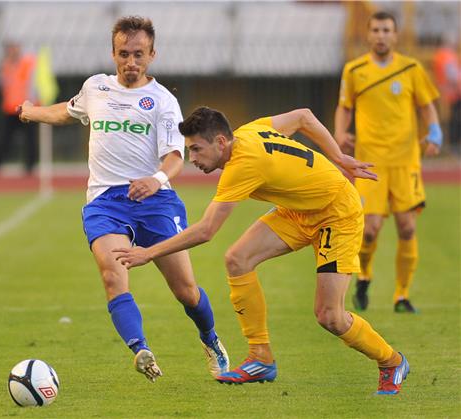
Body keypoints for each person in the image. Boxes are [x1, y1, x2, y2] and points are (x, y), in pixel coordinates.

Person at [114, 106, 410, 395]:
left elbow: (206, 231)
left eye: (196, 149)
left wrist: (148, 253)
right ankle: (260, 356)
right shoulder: (249, 131)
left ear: (220, 142)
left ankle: (392, 362)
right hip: (298, 211)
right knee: (237, 260)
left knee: (330, 316)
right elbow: (303, 116)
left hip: (337, 212)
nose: (192, 158)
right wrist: (338, 157)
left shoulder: (242, 164)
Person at [17, 16, 229, 382]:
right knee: (112, 274)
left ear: (152, 54)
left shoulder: (162, 101)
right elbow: (67, 112)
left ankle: (210, 338)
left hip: (156, 200)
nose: (131, 62)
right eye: (124, 54)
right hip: (105, 202)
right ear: (113, 53)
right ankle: (140, 349)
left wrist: (156, 179)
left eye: (139, 55)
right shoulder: (96, 88)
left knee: (186, 290)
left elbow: (175, 157)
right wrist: (30, 111)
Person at [334, 11, 442, 314]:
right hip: (371, 163)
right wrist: (341, 132)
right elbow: (344, 107)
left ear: (395, 35)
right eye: (376, 30)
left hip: (406, 162)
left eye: (386, 30)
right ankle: (365, 276)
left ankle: (402, 296)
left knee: (407, 228)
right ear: (368, 35)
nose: (381, 35)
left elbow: (427, 106)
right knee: (370, 230)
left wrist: (434, 133)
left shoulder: (411, 69)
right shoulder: (355, 71)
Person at [0, 42, 38, 175]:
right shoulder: (5, 65)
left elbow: (33, 82)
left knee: (30, 138)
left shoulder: (28, 63)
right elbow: (1, 83)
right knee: (5, 138)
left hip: (26, 107)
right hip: (11, 108)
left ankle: (30, 165)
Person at [433, 32, 461, 153]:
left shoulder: (441, 55)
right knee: (456, 118)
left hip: (448, 91)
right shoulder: (446, 55)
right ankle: (455, 144)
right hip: (451, 93)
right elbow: (453, 76)